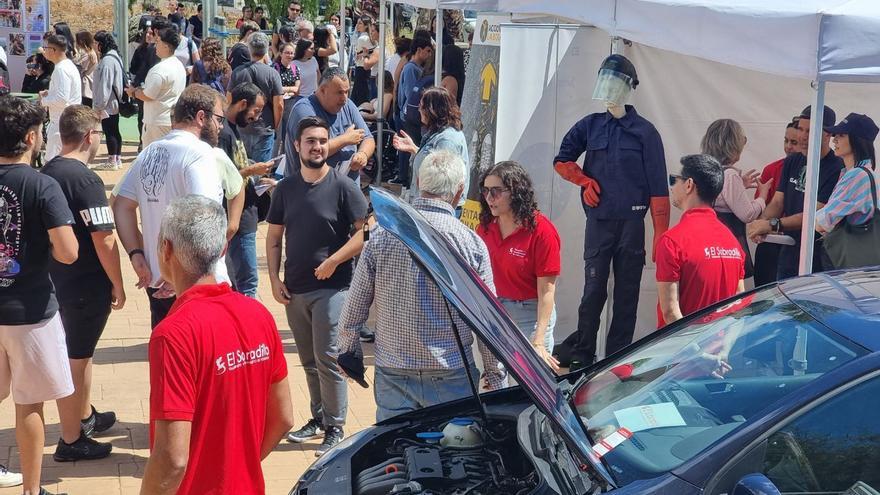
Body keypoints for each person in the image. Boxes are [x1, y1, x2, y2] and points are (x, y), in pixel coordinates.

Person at [337, 149, 508, 422]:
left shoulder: (382, 235)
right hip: (451, 370)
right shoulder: (472, 243)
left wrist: (348, 352)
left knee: (395, 453)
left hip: (393, 367)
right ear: (459, 191)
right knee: (453, 455)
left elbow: (355, 303)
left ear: (418, 181)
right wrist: (494, 375)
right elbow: (488, 321)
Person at [141, 195, 294, 494]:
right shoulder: (259, 315)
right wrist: (239, 467)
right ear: (223, 249)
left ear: (166, 249)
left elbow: (172, 459)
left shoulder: (173, 335)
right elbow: (284, 417)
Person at [553, 54, 669, 370]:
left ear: (629, 88)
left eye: (614, 83)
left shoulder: (645, 133)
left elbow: (660, 188)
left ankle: (617, 358)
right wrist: (583, 180)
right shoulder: (590, 126)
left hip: (632, 225)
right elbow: (561, 160)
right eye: (604, 81)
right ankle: (583, 353)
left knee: (627, 296)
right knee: (593, 291)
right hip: (599, 224)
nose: (607, 89)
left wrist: (660, 234)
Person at [266, 116, 368, 455]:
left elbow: (365, 232)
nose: (317, 146)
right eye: (310, 141)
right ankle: (318, 416)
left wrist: (334, 260)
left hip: (333, 288)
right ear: (297, 146)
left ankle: (335, 426)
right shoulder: (286, 188)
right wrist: (274, 279)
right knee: (308, 360)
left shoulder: (343, 187)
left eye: (323, 140)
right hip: (294, 289)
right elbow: (274, 236)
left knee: (328, 358)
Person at [0, 95, 79, 495]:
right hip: (30, 310)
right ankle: (32, 490)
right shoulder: (42, 185)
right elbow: (68, 251)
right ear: (31, 137)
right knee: (29, 405)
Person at [41, 106, 123, 461]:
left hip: (54, 281)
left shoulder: (46, 173)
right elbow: (104, 238)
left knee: (74, 353)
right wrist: (117, 283)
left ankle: (84, 415)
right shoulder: (86, 180)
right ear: (90, 136)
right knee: (79, 358)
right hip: (85, 285)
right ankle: (72, 439)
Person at [113, 85, 228, 328]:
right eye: (218, 119)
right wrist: (181, 273)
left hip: (159, 279)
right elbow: (203, 216)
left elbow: (122, 204)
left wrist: (137, 255)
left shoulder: (150, 151)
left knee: (168, 357)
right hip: (195, 286)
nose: (221, 126)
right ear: (200, 117)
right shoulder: (199, 153)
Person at [476, 161, 561, 370]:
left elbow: (547, 291)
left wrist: (539, 340)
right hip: (495, 311)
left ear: (515, 192)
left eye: (496, 191)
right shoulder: (484, 228)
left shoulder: (542, 231)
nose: (489, 198)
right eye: (485, 191)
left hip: (530, 314)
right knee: (494, 384)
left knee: (527, 390)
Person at [747, 105, 844, 279]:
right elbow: (777, 202)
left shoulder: (837, 167)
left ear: (828, 134)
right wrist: (761, 222)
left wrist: (772, 225)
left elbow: (814, 214)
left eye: (810, 130)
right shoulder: (792, 161)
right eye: (800, 129)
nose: (803, 136)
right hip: (789, 253)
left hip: (819, 255)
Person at [657, 154, 745, 327]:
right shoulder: (733, 242)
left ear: (689, 184)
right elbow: (739, 306)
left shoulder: (672, 241)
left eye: (674, 180)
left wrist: (698, 352)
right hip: (721, 346)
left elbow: (670, 312)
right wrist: (723, 349)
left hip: (681, 350)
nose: (672, 186)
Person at [701, 119, 770, 280]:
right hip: (728, 243)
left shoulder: (705, 171)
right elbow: (748, 214)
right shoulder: (730, 176)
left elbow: (718, 198)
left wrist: (741, 186)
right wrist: (763, 196)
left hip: (707, 244)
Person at [221, 82, 273, 298]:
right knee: (247, 282)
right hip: (238, 217)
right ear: (243, 104)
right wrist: (252, 170)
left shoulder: (232, 129)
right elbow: (223, 176)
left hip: (245, 214)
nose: (257, 117)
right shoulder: (224, 133)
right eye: (256, 110)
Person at [284, 67, 376, 182]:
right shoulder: (304, 110)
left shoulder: (348, 105)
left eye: (347, 92)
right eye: (339, 92)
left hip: (346, 189)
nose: (344, 98)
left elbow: (368, 138)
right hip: (310, 191)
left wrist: (363, 154)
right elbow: (313, 150)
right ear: (322, 90)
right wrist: (345, 139)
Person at [815, 113, 880, 255]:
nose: (834, 140)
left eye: (841, 135)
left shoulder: (857, 175)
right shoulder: (864, 173)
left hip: (851, 256)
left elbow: (823, 222)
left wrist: (816, 218)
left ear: (857, 140)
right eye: (835, 135)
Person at [393, 87, 468, 204]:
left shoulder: (447, 140)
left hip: (438, 207)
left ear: (432, 110)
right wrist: (414, 149)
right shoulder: (438, 134)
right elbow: (435, 162)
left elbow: (443, 179)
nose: (419, 110)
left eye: (422, 106)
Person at [753, 117, 800, 286]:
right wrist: (762, 225)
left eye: (794, 142)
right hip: (771, 243)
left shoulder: (820, 170)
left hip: (798, 243)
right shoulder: (772, 169)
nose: (788, 146)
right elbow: (760, 210)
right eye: (786, 140)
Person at [227, 32, 283, 162]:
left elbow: (229, 101)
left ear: (249, 48)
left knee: (241, 169)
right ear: (266, 49)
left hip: (241, 127)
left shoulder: (237, 72)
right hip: (264, 128)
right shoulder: (273, 74)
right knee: (261, 173)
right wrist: (275, 127)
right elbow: (279, 105)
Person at [128, 26, 186, 146]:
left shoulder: (159, 69)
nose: (155, 45)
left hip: (157, 122)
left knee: (153, 159)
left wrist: (133, 92)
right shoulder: (179, 65)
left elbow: (148, 95)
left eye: (158, 42)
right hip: (172, 119)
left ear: (166, 45)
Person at [394, 32, 433, 184]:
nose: (429, 55)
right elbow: (410, 95)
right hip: (409, 116)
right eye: (428, 51)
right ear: (419, 50)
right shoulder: (411, 69)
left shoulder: (415, 68)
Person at [39, 33, 82, 162]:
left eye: (46, 48)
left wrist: (44, 101)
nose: (44, 51)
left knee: (53, 162)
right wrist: (50, 92)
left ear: (54, 50)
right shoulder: (66, 65)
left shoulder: (61, 69)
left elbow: (62, 99)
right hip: (66, 120)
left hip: (60, 121)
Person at [91, 30, 125, 171]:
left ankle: (112, 159)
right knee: (115, 130)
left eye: (95, 43)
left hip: (107, 103)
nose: (94, 46)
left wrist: (99, 106)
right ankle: (117, 158)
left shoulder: (107, 61)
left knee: (109, 130)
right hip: (114, 101)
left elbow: (105, 84)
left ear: (100, 44)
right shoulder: (115, 57)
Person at [351, 16, 374, 105]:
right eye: (357, 23)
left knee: (359, 95)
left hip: (361, 68)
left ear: (365, 26)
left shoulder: (362, 38)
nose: (357, 25)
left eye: (360, 23)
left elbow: (358, 53)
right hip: (367, 69)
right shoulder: (369, 37)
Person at [73, 31, 98, 107]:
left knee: (85, 107)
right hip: (89, 82)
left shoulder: (87, 54)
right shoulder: (90, 52)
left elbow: (79, 67)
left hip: (86, 84)